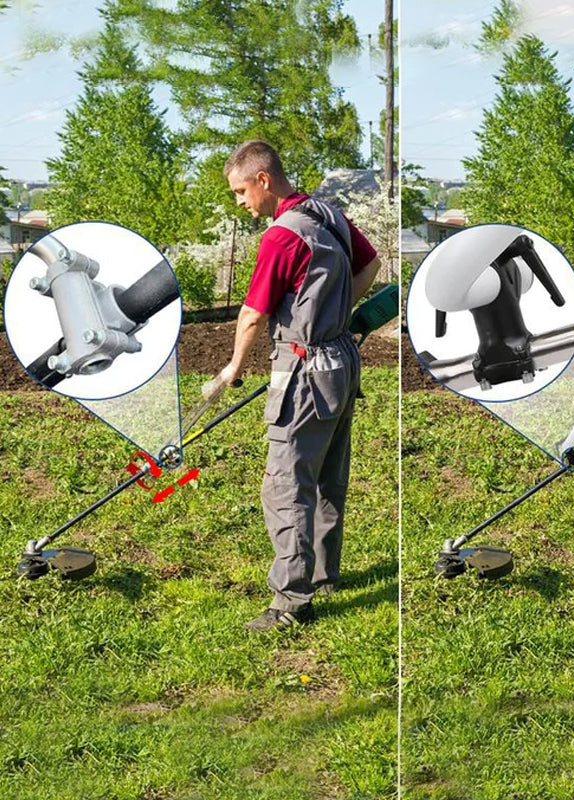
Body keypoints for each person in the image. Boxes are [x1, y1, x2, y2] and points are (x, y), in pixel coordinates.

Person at [219, 140, 381, 630]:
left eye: (240, 191)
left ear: (263, 180)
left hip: (305, 370)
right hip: (342, 360)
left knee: (286, 485)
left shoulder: (281, 236)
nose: (240, 202)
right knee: (329, 474)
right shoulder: (326, 213)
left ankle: (291, 602)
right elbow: (370, 264)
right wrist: (335, 315)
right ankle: (325, 575)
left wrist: (231, 368)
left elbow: (252, 314)